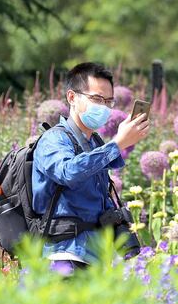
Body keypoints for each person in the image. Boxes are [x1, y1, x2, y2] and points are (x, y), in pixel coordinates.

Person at [32, 62, 150, 270]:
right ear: (72, 97)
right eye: (96, 99)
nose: (103, 107)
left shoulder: (94, 143)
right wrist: (118, 144)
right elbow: (68, 172)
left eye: (108, 101)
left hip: (94, 258)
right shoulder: (53, 139)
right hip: (62, 255)